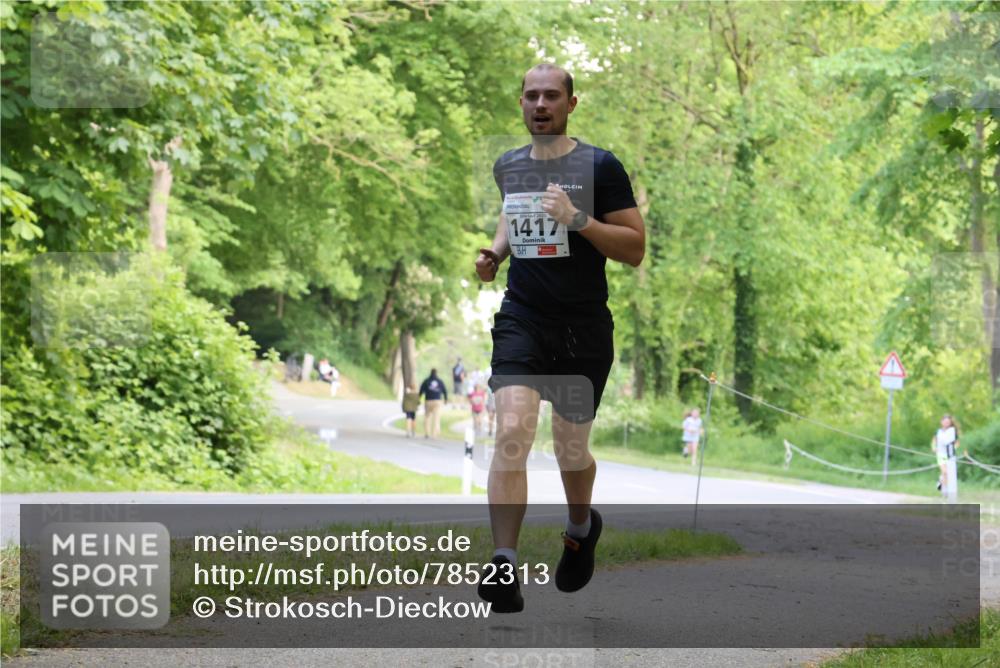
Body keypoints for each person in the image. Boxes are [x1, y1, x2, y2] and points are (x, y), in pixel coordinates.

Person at [473, 63, 645, 613]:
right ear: (521, 103)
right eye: (531, 96)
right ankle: (504, 563)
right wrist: (496, 254)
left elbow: (634, 248)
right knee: (512, 431)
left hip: (582, 327)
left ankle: (580, 528)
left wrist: (579, 219)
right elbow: (514, 214)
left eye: (551, 96)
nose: (540, 104)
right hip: (522, 318)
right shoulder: (509, 165)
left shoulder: (600, 166)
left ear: (571, 104)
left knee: (570, 449)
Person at [932, 413, 960, 493]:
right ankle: (943, 487)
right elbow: (934, 441)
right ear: (941, 422)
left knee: (947, 474)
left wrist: (953, 448)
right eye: (945, 421)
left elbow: (957, 442)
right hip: (940, 454)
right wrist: (934, 447)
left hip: (950, 455)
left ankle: (943, 487)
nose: (946, 423)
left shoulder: (952, 431)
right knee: (945, 472)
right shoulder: (938, 431)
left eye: (948, 422)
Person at [419, 369, 448, 439]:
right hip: (437, 401)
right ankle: (435, 434)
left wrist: (419, 398)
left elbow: (421, 390)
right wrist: (445, 399)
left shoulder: (426, 381)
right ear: (436, 373)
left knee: (427, 417)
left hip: (428, 400)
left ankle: (427, 433)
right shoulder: (440, 381)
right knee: (436, 418)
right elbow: (444, 391)